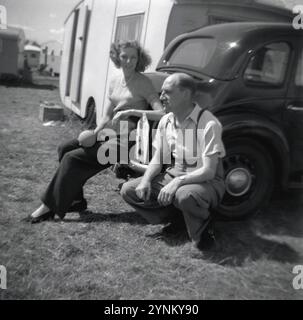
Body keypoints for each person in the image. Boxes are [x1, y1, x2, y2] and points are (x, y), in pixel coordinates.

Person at [27, 40, 164, 223]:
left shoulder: (143, 83)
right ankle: (76, 200)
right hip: (111, 131)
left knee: (73, 158)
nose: (129, 61)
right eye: (124, 56)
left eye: (133, 57)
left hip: (129, 139)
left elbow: (161, 113)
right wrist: (96, 131)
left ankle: (49, 207)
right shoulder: (115, 80)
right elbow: (107, 114)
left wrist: (132, 112)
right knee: (65, 148)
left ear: (139, 59)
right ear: (117, 57)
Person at [120, 73, 226, 250]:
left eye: (167, 92)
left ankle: (204, 230)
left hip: (206, 179)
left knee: (184, 195)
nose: (161, 97)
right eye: (161, 92)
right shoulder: (166, 121)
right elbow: (159, 157)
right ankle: (179, 219)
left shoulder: (208, 123)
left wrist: (177, 181)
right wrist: (146, 181)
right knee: (129, 190)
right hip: (176, 172)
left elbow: (209, 171)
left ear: (185, 93)